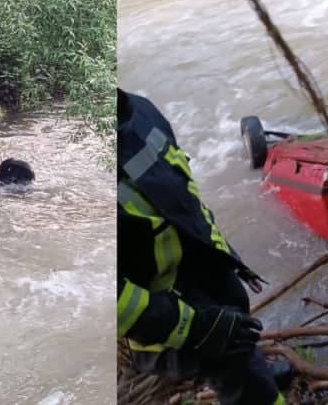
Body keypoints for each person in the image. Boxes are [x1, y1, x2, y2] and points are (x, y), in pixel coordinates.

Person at [117, 88, 291, 405]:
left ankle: (250, 372)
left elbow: (181, 196)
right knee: (235, 364)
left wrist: (225, 257)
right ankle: (251, 382)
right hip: (166, 317)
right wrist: (193, 328)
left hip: (206, 275)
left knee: (238, 342)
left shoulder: (140, 111)